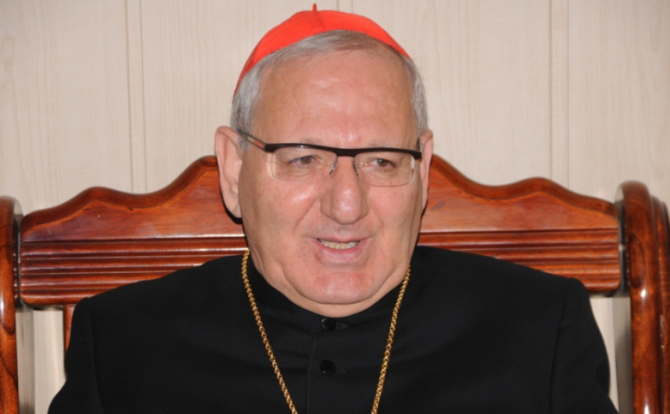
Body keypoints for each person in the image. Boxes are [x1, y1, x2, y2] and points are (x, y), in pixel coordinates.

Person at [49, 6, 618, 413]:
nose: (346, 206)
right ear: (233, 168)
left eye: (382, 161)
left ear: (422, 169)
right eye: (303, 159)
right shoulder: (124, 345)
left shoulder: (540, 330)